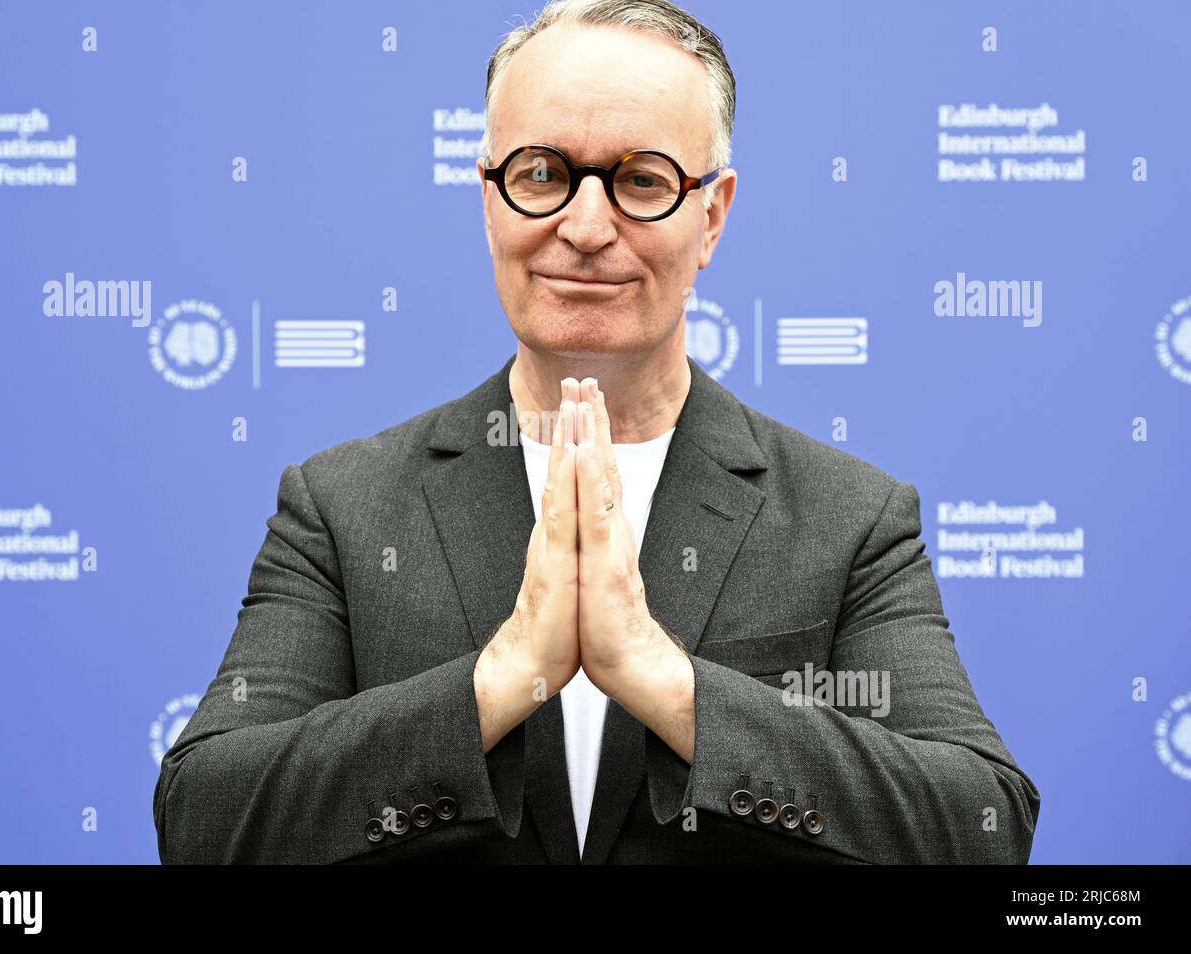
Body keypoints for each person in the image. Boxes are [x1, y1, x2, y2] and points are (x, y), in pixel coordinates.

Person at [153, 0, 1040, 864]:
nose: (583, 227)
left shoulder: (852, 517)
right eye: (540, 173)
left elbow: (981, 824)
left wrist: (669, 683)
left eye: (641, 180)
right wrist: (498, 680)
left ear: (712, 216)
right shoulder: (340, 509)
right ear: (489, 199)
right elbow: (205, 822)